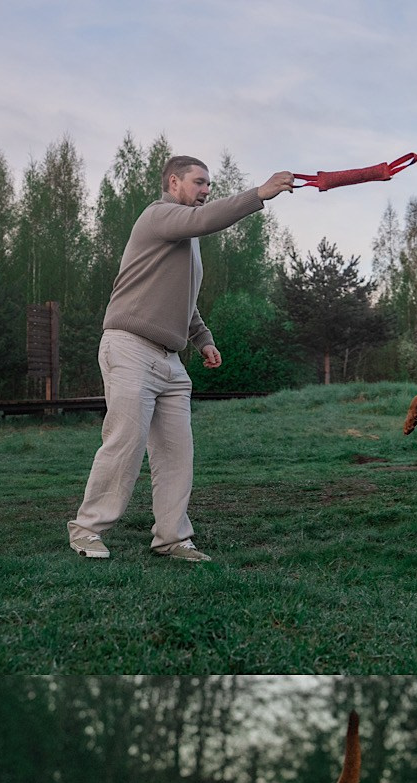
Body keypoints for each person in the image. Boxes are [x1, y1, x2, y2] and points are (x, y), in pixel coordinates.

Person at [67, 156, 295, 561]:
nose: (206, 190)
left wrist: (203, 338)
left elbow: (184, 299)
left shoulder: (187, 241)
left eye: (209, 184)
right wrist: (260, 193)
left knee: (177, 454)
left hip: (170, 362)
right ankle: (87, 530)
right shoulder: (158, 216)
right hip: (130, 348)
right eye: (199, 182)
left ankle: (172, 538)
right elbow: (203, 220)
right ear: (174, 182)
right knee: (124, 445)